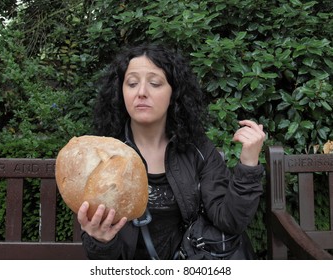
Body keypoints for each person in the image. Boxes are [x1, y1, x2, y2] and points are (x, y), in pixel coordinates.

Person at [77, 43, 266, 260]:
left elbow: (230, 220)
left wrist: (249, 164)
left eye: (155, 83)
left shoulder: (198, 150)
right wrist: (101, 241)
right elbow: (105, 262)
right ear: (121, 92)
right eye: (132, 83)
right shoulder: (103, 156)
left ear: (173, 93)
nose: (141, 93)